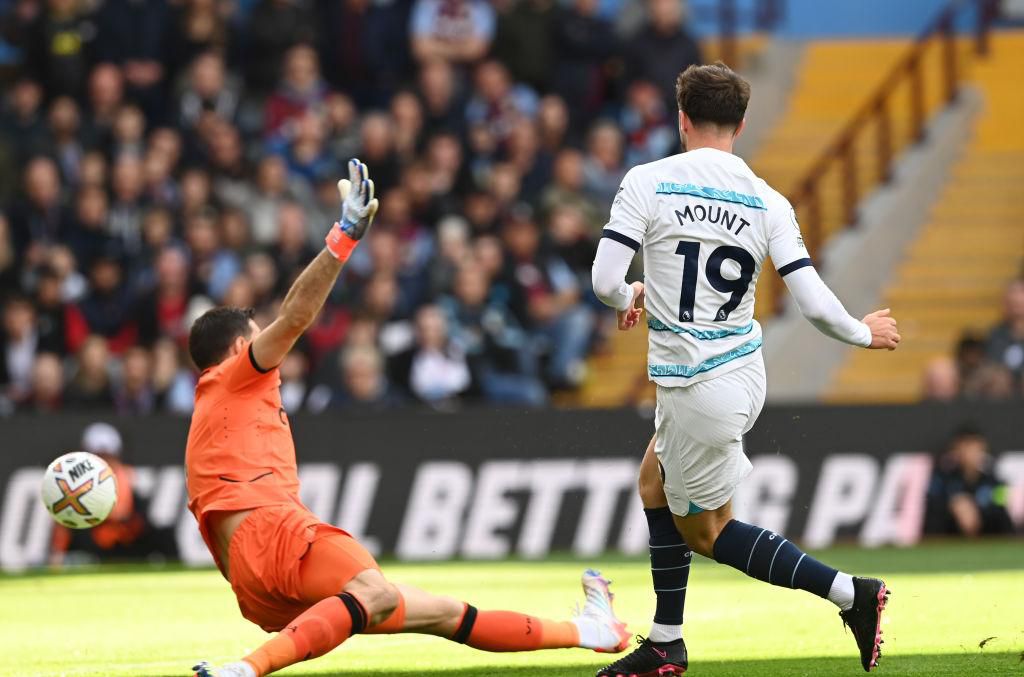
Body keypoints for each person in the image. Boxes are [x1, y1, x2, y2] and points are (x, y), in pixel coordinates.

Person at [189, 160, 630, 677]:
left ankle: (592, 631)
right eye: (257, 333)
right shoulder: (235, 376)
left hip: (253, 579)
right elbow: (295, 317)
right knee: (373, 591)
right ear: (241, 345)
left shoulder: (212, 409)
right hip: (273, 533)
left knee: (444, 614)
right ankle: (244, 671)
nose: (271, 345)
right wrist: (343, 236)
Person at [590, 63, 902, 676]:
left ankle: (851, 594)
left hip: (695, 385)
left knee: (708, 534)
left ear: (681, 119)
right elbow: (811, 301)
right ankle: (666, 640)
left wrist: (629, 297)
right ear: (741, 124)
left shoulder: (647, 181)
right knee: (653, 480)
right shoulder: (767, 200)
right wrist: (864, 332)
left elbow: (604, 281)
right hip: (740, 371)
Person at [924, 425, 1014, 536]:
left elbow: (1003, 516)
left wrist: (978, 511)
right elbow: (930, 511)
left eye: (975, 446)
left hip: (987, 542)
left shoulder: (995, 482)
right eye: (965, 446)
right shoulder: (942, 479)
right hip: (950, 542)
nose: (970, 452)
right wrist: (953, 506)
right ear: (956, 448)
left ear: (983, 447)